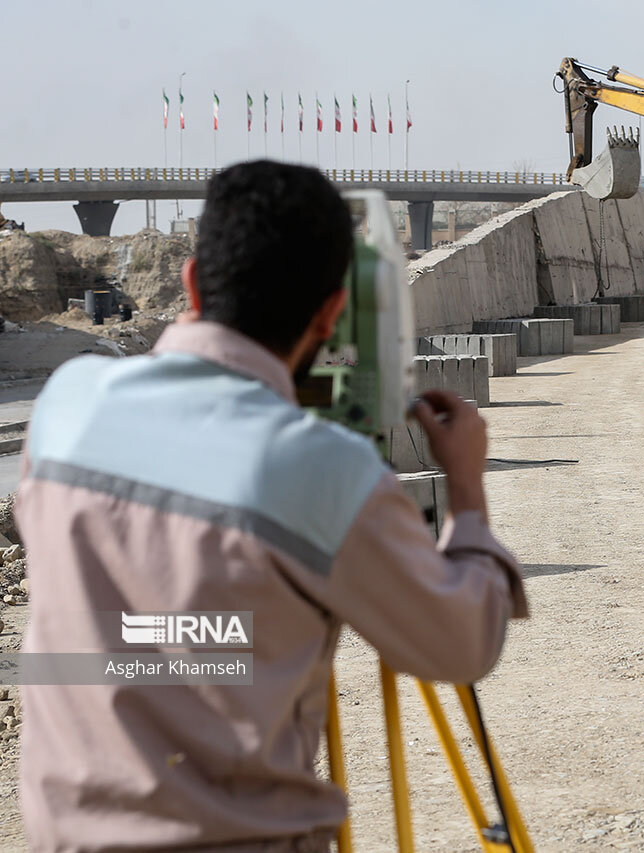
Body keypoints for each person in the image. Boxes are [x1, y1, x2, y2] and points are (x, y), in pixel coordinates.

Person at [15, 161, 528, 852]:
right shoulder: (322, 473)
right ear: (330, 313)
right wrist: (464, 485)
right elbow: (461, 644)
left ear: (194, 280)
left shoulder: (67, 406)